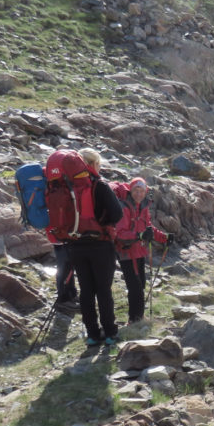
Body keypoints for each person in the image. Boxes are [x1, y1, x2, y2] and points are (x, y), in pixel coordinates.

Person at [53, 149, 123, 347]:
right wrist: (103, 223)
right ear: (93, 165)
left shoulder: (66, 186)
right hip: (100, 244)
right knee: (103, 290)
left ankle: (92, 334)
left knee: (86, 290)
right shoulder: (99, 185)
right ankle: (109, 332)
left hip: (75, 245)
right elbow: (116, 214)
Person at [113, 177, 172, 323]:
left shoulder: (143, 206)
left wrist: (164, 237)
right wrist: (139, 235)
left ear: (146, 192)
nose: (139, 194)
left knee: (141, 285)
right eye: (136, 190)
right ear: (130, 190)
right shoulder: (124, 207)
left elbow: (148, 228)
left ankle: (138, 317)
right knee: (135, 287)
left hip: (139, 251)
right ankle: (135, 320)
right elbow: (119, 233)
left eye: (142, 191)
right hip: (127, 252)